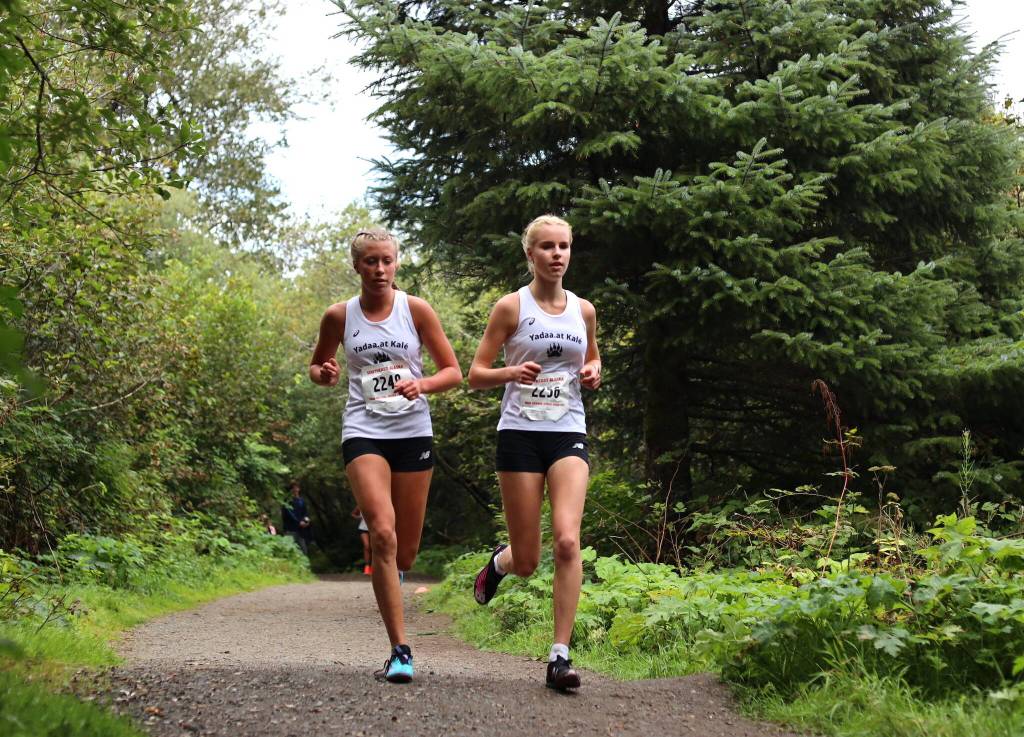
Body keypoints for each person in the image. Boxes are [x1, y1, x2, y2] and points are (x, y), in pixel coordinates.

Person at [309, 227, 462, 684]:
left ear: (397, 264)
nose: (379, 269)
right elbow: (318, 367)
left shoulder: (415, 310)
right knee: (382, 534)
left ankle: (394, 596)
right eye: (370, 261)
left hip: (413, 430)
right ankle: (400, 650)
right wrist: (325, 373)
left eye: (386, 261)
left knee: (406, 552)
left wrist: (424, 383)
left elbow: (452, 371)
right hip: (364, 430)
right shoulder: (339, 316)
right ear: (356, 266)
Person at [468, 214, 601, 691]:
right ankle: (499, 563)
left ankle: (559, 657)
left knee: (567, 540)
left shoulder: (582, 311)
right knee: (527, 561)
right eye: (546, 247)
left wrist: (593, 372)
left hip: (567, 431)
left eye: (564, 246)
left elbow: (591, 358)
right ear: (530, 254)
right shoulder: (510, 307)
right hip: (519, 434)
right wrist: (510, 374)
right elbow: (475, 372)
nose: (557, 254)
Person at [282, 481, 311, 555]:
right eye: (293, 488)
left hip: (300, 531)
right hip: (290, 529)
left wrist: (306, 521)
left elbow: (305, 513)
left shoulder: (301, 501)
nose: (295, 490)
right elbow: (289, 514)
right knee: (289, 551)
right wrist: (298, 522)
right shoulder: (287, 501)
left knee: (303, 551)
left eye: (296, 488)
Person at [352, 506, 372, 574]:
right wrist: (358, 517)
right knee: (366, 546)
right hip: (363, 528)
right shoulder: (360, 504)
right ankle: (367, 567)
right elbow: (353, 514)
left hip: (373, 528)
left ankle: (374, 567)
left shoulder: (377, 502)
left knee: (374, 548)